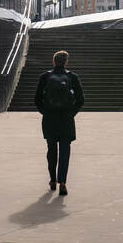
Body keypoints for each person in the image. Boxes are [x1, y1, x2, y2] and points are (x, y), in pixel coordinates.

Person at [34, 50, 84, 196]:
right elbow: (81, 99)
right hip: (66, 119)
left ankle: (52, 180)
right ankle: (63, 182)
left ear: (53, 61)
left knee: (51, 150)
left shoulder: (45, 77)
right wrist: (71, 113)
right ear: (66, 62)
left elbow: (37, 99)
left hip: (50, 119)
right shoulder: (72, 77)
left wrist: (46, 112)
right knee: (65, 151)